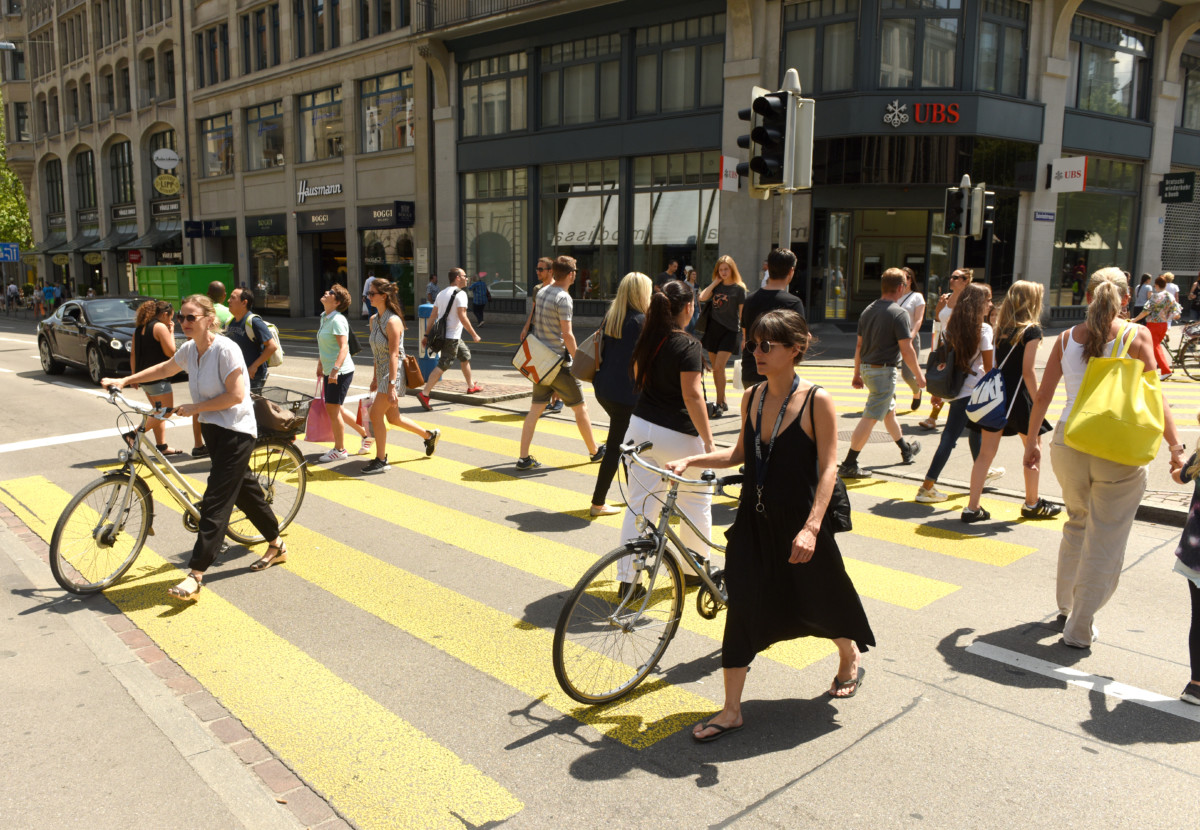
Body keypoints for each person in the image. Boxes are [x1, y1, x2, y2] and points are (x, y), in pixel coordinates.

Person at [666, 309, 875, 743]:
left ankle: (847, 654)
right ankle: (730, 711)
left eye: (766, 345)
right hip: (754, 521)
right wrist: (692, 459)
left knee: (819, 593)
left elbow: (829, 469)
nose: (756, 352)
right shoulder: (752, 396)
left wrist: (812, 528)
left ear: (794, 349)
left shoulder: (817, 400)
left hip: (801, 521)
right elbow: (738, 454)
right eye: (753, 343)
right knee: (743, 605)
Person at [1025, 267, 1185, 648]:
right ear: (1126, 299)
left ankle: (1065, 606)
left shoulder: (1065, 338)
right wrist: (1176, 449)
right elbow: (1156, 397)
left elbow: (1043, 397)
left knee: (1076, 523)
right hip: (1118, 449)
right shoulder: (1138, 335)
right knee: (1107, 538)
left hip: (1069, 441)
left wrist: (1032, 441)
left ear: (1087, 297)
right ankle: (1079, 626)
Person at [101, 294, 288, 600]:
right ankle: (277, 544)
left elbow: (236, 396)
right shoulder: (190, 349)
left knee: (216, 501)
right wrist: (126, 381)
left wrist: (196, 406)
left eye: (190, 318)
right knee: (245, 491)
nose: (183, 323)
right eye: (181, 318)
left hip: (236, 432)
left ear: (209, 320)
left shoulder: (226, 349)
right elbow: (164, 369)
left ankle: (196, 574)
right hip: (214, 430)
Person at [619, 279, 714, 585]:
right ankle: (693, 572)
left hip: (640, 427)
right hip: (679, 435)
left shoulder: (648, 339)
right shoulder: (687, 344)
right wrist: (709, 444)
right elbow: (692, 395)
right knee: (696, 501)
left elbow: (636, 376)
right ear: (688, 307)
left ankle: (628, 581)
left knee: (640, 505)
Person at [961, 281, 1060, 521]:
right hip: (1020, 398)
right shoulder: (1031, 330)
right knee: (1032, 450)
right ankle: (1031, 503)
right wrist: (1038, 399)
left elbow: (994, 366)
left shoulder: (1000, 328)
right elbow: (1028, 371)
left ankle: (972, 508)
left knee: (985, 454)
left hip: (998, 397)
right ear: (1032, 301)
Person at [516, 255, 604, 469]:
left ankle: (523, 458)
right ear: (572, 274)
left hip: (540, 362)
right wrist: (578, 360)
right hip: (559, 364)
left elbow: (537, 324)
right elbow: (568, 335)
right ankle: (594, 451)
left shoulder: (543, 291)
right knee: (580, 408)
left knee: (535, 410)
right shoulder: (563, 298)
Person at [913, 283, 996, 504]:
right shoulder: (984, 329)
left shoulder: (952, 327)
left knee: (974, 433)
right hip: (973, 391)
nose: (991, 304)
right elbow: (990, 367)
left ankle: (981, 475)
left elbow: (944, 359)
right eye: (988, 301)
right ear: (979, 303)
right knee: (949, 438)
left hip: (957, 388)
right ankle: (926, 486)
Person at [838, 268, 923, 477]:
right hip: (884, 372)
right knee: (870, 417)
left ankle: (905, 450)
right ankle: (849, 462)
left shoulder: (868, 310)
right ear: (901, 288)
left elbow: (859, 346)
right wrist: (919, 376)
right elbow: (907, 348)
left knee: (889, 411)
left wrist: (857, 373)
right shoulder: (899, 313)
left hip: (869, 369)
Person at [589, 272, 652, 517]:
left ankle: (636, 497)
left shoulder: (613, 316)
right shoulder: (640, 321)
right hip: (626, 392)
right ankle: (598, 503)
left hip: (605, 389)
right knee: (618, 447)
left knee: (626, 444)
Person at [364, 278, 440, 474]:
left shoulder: (392, 321)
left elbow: (394, 355)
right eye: (368, 293)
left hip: (393, 373)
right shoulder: (374, 320)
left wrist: (390, 386)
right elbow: (376, 353)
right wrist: (374, 377)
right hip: (381, 372)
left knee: (375, 414)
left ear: (383, 296)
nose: (368, 297)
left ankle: (381, 459)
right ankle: (429, 436)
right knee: (394, 418)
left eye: (372, 294)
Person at [315, 285, 371, 463]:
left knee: (333, 408)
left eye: (330, 293)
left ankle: (339, 449)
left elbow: (344, 347)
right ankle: (366, 434)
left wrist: (334, 370)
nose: (326, 292)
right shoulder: (325, 317)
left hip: (340, 372)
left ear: (337, 302)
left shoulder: (338, 320)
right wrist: (320, 364)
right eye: (327, 290)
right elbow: (325, 345)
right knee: (336, 407)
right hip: (330, 370)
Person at [417, 268, 482, 408]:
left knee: (464, 356)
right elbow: (462, 317)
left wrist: (426, 335)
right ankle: (425, 393)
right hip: (451, 337)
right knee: (444, 364)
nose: (467, 278)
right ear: (457, 277)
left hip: (448, 335)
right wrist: (474, 334)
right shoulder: (461, 294)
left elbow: (433, 316)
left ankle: (471, 386)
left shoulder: (441, 293)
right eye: (464, 276)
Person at [741, 249, 805, 388]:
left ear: (768, 269)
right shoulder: (793, 303)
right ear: (791, 271)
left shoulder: (750, 300)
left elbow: (745, 337)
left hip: (751, 371)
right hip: (779, 375)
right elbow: (801, 342)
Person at [1169, 420, 1200, 705]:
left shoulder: (1199, 459)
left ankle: (1195, 685)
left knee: (1199, 618)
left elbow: (1179, 477)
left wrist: (1177, 463)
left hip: (1197, 554)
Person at [920, 268, 972, 429]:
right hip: (944, 345)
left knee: (956, 380)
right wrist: (937, 310)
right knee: (943, 378)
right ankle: (933, 417)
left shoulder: (969, 301)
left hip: (960, 346)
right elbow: (938, 322)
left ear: (965, 280)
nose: (951, 279)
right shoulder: (945, 298)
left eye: (956, 277)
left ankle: (939, 418)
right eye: (951, 276)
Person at [698, 255, 748, 416]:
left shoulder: (739, 289)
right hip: (713, 330)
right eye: (721, 269)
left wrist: (745, 337)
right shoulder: (717, 287)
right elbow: (702, 297)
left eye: (726, 269)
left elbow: (743, 314)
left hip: (730, 331)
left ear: (732, 269)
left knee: (719, 366)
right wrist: (715, 282)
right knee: (716, 370)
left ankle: (719, 403)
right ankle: (723, 400)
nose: (724, 272)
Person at [130, 300, 180, 456]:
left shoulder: (139, 329)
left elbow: (133, 354)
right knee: (165, 412)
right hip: (158, 377)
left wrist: (134, 377)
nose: (170, 321)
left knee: (158, 412)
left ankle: (162, 446)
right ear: (164, 314)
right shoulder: (159, 327)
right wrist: (170, 331)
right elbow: (171, 352)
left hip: (145, 377)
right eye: (170, 318)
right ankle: (134, 434)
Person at [522, 257, 563, 415]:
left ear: (550, 271)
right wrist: (526, 328)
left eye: (541, 269)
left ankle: (557, 400)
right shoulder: (537, 289)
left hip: (554, 334)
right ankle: (546, 400)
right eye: (537, 269)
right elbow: (533, 310)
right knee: (542, 368)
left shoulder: (558, 288)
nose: (538, 272)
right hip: (539, 334)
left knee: (554, 368)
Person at [225, 287, 277, 396]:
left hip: (252, 375)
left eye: (233, 298)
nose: (229, 300)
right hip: (236, 373)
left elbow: (272, 346)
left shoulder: (254, 321)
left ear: (244, 303)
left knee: (252, 406)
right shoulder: (230, 322)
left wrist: (254, 366)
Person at [1131, 275, 1181, 379]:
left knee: (1154, 347)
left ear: (1157, 285)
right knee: (1155, 346)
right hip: (1164, 324)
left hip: (1153, 324)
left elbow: (1146, 311)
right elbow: (1176, 310)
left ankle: (1165, 370)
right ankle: (1152, 368)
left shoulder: (1155, 296)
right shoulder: (1169, 296)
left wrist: (1134, 320)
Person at [897, 267, 926, 411]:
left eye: (907, 277)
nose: (904, 280)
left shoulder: (917, 297)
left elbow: (919, 319)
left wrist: (912, 335)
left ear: (911, 279)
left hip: (910, 337)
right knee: (889, 371)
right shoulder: (894, 294)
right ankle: (889, 401)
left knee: (907, 374)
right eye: (901, 278)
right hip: (893, 338)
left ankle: (916, 392)